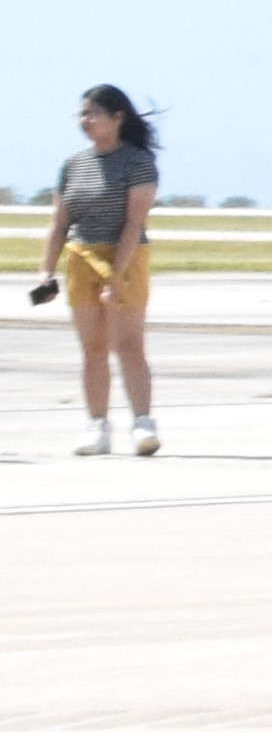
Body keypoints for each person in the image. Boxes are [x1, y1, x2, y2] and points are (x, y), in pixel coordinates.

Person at [33, 88, 159, 457]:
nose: (84, 121)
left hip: (127, 257)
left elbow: (134, 223)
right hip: (81, 257)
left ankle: (142, 422)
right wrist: (46, 272)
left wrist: (116, 278)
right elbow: (59, 223)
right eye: (81, 115)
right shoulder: (73, 164)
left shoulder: (137, 162)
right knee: (93, 348)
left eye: (92, 114)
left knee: (129, 345)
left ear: (117, 117)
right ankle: (97, 425)